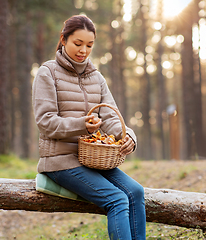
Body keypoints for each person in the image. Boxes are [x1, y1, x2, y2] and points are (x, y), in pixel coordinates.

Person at [32, 15, 146, 240]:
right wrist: (81, 125)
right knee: (117, 199)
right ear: (63, 40)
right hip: (60, 161)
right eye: (78, 43)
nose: (83, 50)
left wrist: (128, 136)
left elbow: (112, 117)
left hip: (92, 160)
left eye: (89, 45)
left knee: (135, 192)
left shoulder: (97, 78)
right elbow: (45, 122)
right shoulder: (48, 73)